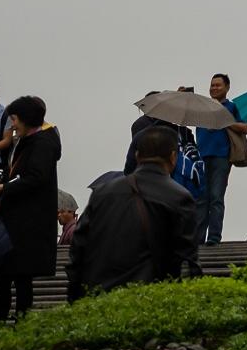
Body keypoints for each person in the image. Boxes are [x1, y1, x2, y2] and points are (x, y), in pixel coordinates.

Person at [68, 124, 199, 300]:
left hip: (99, 297)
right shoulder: (180, 197)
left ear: (137, 155)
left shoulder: (102, 192)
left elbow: (78, 246)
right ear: (173, 157)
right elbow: (187, 259)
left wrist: (76, 295)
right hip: (149, 299)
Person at [0, 94, 60, 324]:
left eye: (14, 119)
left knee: (20, 277)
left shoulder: (43, 142)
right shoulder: (26, 141)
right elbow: (17, 175)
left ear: (25, 119)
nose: (12, 125)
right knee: (5, 276)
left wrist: (5, 188)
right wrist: (1, 183)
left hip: (28, 222)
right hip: (15, 220)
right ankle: (0, 324)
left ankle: (20, 326)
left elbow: (35, 177)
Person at [192, 74, 246, 247]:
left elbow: (245, 128)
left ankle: (214, 237)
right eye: (212, 85)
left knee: (216, 197)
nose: (214, 88)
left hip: (221, 157)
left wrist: (225, 121)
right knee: (201, 199)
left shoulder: (232, 107)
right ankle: (198, 238)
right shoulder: (202, 106)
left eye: (218, 85)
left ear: (227, 87)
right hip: (201, 157)